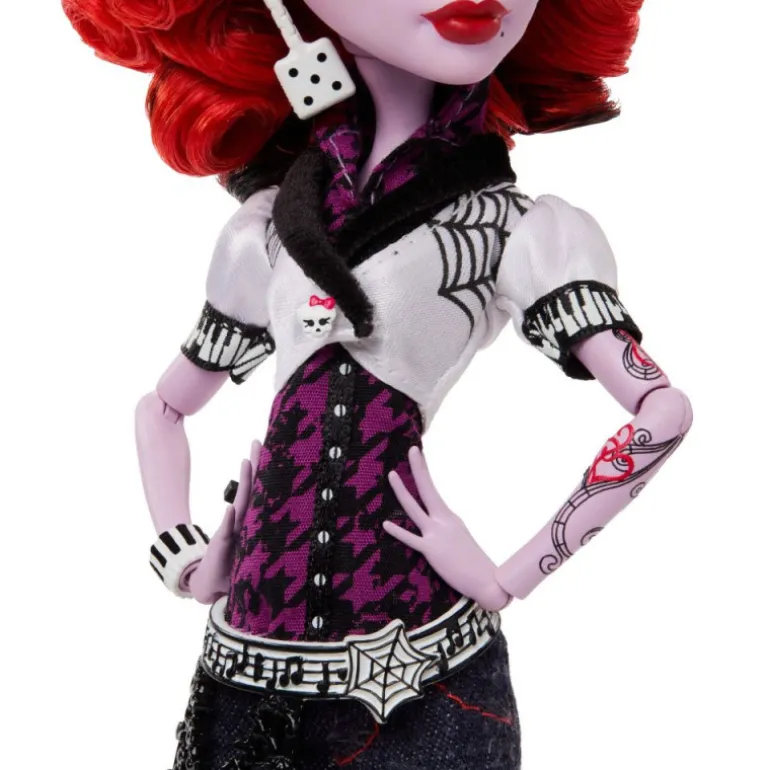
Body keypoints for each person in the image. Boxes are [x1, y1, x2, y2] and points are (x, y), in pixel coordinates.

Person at [63, 1, 693, 767]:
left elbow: (662, 410)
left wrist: (507, 576)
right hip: (242, 672)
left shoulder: (515, 230)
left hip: (423, 677)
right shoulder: (265, 230)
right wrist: (186, 558)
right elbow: (162, 408)